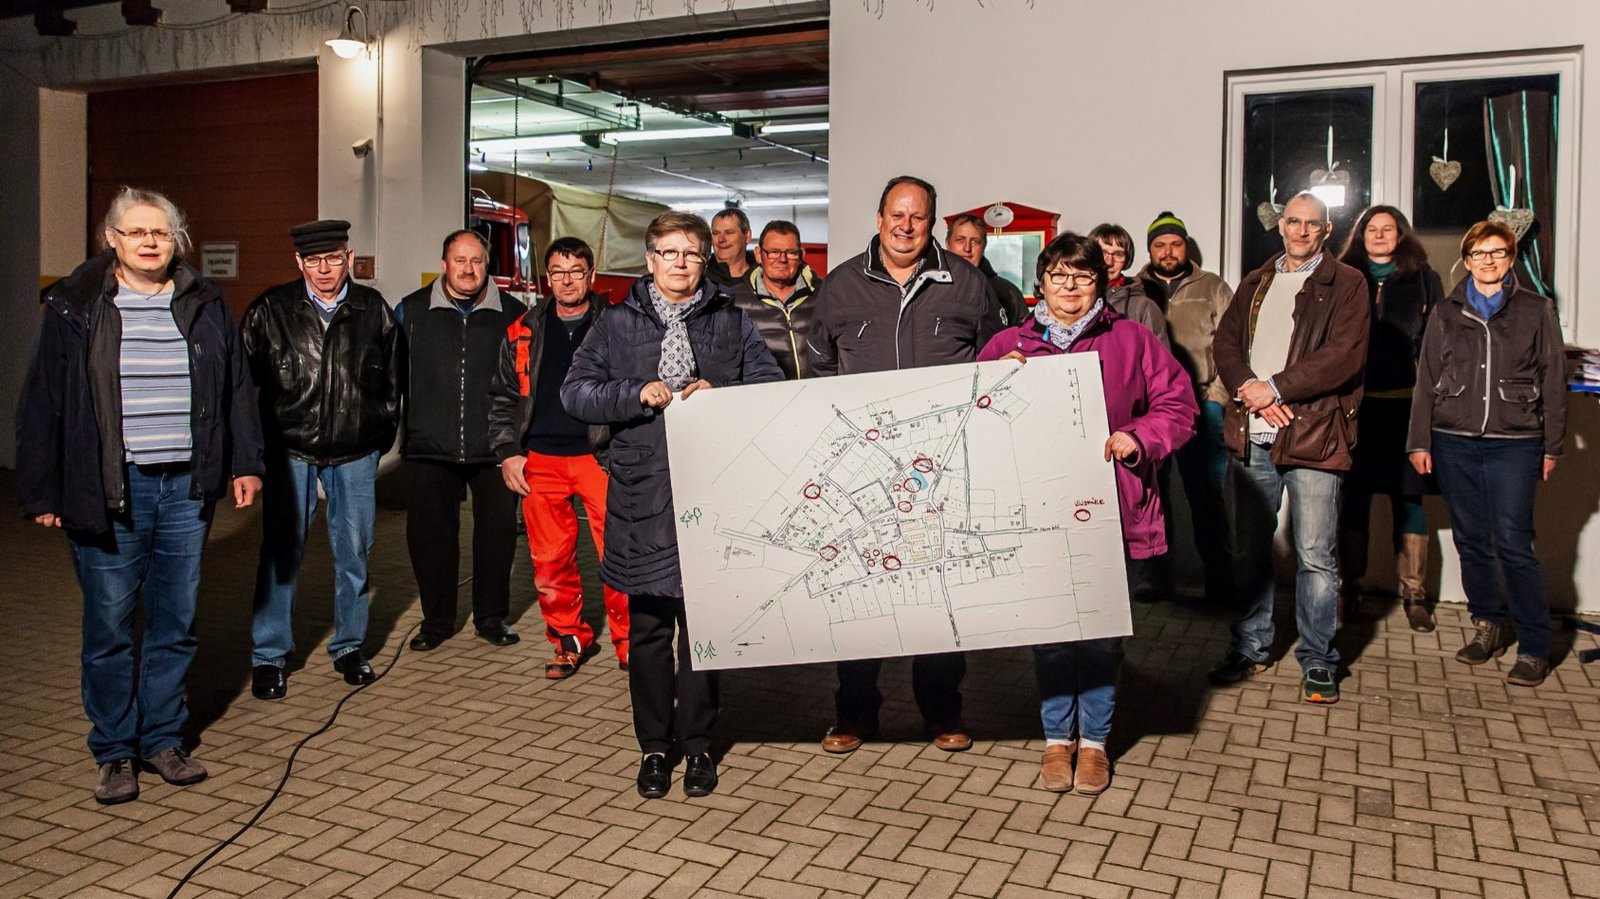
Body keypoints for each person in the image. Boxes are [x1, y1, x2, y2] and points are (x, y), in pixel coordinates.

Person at [17, 187, 264, 804]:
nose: (150, 242)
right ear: (112, 239)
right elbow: (44, 401)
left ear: (176, 240)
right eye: (136, 232)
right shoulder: (76, 306)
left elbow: (235, 386)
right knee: (110, 625)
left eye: (161, 232)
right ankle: (115, 750)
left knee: (176, 622)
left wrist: (244, 462)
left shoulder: (203, 301)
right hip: (108, 491)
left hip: (186, 488)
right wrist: (42, 488)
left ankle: (161, 739)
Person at [561, 212, 783, 799]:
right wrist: (633, 394)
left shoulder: (731, 321)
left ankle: (701, 745)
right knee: (651, 630)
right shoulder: (613, 324)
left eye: (691, 252)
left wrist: (725, 396)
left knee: (704, 632)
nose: (679, 262)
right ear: (649, 259)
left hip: (713, 494)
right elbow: (575, 392)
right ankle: (656, 748)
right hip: (643, 495)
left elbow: (772, 389)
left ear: (706, 258)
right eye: (668, 252)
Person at [978, 232, 1196, 794]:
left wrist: (1138, 436)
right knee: (1053, 632)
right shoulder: (1008, 343)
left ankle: (1095, 742)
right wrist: (993, 382)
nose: (1070, 287)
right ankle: (1057, 741)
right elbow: (967, 415)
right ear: (1040, 283)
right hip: (1038, 508)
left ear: (1101, 283)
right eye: (1059, 276)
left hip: (1110, 506)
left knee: (1099, 632)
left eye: (1083, 276)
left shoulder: (1132, 340)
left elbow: (1179, 406)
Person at [807, 175, 1005, 755]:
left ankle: (942, 711)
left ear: (933, 222)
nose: (905, 225)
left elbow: (995, 360)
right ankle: (853, 713)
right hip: (862, 468)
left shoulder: (968, 285)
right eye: (896, 214)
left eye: (918, 216)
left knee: (940, 596)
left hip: (943, 467)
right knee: (857, 589)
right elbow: (818, 372)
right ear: (877, 217)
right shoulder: (841, 286)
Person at [1209, 192, 1370, 705]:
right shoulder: (1257, 282)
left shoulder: (1348, 283)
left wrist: (1275, 388)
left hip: (1316, 435)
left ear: (1326, 230)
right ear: (1281, 225)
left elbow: (1343, 356)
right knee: (1250, 551)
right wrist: (1250, 387)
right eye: (1293, 221)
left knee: (1316, 557)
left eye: (1312, 224)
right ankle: (1251, 646)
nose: (1301, 231)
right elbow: (1226, 345)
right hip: (1253, 431)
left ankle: (1319, 660)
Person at [241, 219, 401, 699]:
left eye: (334, 258)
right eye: (314, 260)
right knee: (281, 553)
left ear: (348, 258)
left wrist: (376, 440)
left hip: (355, 449)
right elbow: (240, 388)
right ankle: (269, 656)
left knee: (354, 552)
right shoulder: (270, 309)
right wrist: (251, 451)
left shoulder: (374, 310)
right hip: (289, 447)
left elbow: (393, 384)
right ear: (298, 263)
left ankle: (349, 646)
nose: (325, 268)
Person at [1408, 221, 1567, 687]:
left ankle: (1535, 645)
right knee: (1471, 539)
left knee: (1514, 542)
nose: (1489, 260)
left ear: (1511, 258)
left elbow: (1554, 381)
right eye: (1479, 253)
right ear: (1467, 259)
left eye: (1498, 252)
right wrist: (1419, 440)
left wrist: (1553, 445)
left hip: (1515, 442)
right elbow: (1426, 379)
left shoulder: (1537, 310)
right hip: (1453, 439)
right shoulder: (1445, 312)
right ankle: (1487, 623)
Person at [489, 237, 629, 677]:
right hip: (541, 461)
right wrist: (508, 453)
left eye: (576, 271)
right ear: (547, 278)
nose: (567, 280)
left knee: (621, 556)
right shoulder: (523, 330)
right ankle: (568, 640)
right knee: (550, 562)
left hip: (600, 459)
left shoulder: (619, 326)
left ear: (591, 276)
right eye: (558, 272)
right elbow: (502, 398)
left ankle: (630, 645)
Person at [395, 230, 527, 651]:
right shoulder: (410, 312)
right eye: (460, 260)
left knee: (497, 536)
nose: (468, 269)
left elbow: (526, 382)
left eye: (477, 261)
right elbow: (393, 378)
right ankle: (436, 621)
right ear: (444, 263)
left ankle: (490, 617)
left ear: (487, 265)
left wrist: (518, 443)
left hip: (495, 448)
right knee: (431, 539)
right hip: (429, 446)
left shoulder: (513, 313)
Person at [1337, 206, 1444, 632]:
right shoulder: (1344, 277)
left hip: (1407, 408)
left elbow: (1439, 344)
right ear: (1360, 236)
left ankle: (1414, 595)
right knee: (1353, 499)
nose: (1379, 235)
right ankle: (1351, 590)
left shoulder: (1424, 279)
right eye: (1371, 229)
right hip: (1357, 409)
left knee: (1409, 502)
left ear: (1401, 235)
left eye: (1388, 229)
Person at [1135, 212, 1236, 606]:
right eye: (1160, 245)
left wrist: (1218, 396)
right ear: (1150, 250)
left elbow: (1232, 344)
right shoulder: (1135, 289)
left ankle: (1220, 582)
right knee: (1152, 495)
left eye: (1175, 244)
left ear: (1185, 247)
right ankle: (1156, 579)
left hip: (1201, 405)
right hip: (1152, 409)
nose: (1168, 251)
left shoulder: (1212, 286)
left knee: (1207, 495)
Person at [728, 220, 823, 380]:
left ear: (801, 255)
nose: (782, 259)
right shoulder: (735, 301)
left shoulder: (825, 292)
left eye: (791, 252)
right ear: (758, 254)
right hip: (764, 398)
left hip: (818, 395)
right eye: (773, 252)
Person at [1086, 223, 1169, 346]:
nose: (1109, 262)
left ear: (1126, 260)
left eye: (1118, 254)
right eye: (1102, 253)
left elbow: (1160, 363)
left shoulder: (1144, 308)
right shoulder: (1074, 298)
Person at [947, 213, 1026, 326]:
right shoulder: (930, 286)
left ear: (984, 246)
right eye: (960, 240)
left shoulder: (1007, 293)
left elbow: (1024, 337)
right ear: (948, 243)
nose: (967, 248)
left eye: (975, 241)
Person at [706, 207, 756, 287]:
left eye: (729, 233)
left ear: (747, 236)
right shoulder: (700, 280)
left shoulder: (763, 278)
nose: (721, 239)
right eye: (716, 233)